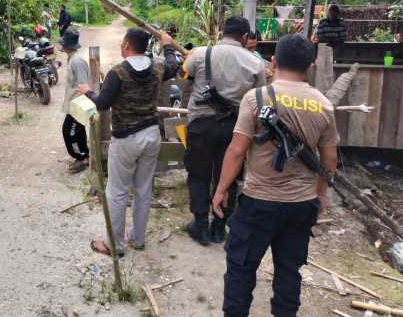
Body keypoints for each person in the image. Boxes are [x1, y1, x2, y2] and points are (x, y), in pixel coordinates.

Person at [212, 34, 339, 317]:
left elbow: (236, 150)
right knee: (289, 272)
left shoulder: (256, 97)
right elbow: (330, 159)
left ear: (273, 62)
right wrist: (320, 193)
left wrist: (221, 190)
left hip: (259, 202)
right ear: (311, 65)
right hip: (301, 204)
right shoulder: (324, 105)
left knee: (240, 269)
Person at [77, 28, 179, 256]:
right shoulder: (158, 67)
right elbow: (174, 63)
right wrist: (168, 44)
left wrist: (87, 91)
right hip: (152, 135)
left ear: (125, 45)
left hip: (126, 139)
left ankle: (115, 245)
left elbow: (102, 103)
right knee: (143, 189)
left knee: (118, 192)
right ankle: (138, 239)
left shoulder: (118, 72)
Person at [182, 17, 265, 246]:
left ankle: (200, 226)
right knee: (227, 177)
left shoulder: (199, 54)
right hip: (235, 128)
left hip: (200, 123)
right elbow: (258, 99)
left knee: (198, 174)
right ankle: (219, 228)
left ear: (221, 32)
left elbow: (186, 78)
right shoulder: (255, 63)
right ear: (245, 37)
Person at [59, 28, 90, 173]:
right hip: (73, 104)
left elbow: (84, 85)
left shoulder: (77, 61)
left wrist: (81, 107)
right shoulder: (72, 59)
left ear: (68, 46)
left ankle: (80, 157)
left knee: (69, 132)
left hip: (78, 105)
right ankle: (85, 156)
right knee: (78, 131)